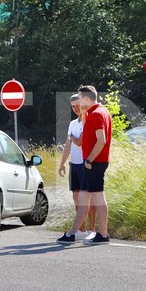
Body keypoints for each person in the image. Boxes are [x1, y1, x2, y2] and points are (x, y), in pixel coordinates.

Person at [58, 85, 111, 244]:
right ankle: (72, 234)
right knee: (83, 198)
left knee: (98, 198)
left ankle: (102, 234)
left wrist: (89, 160)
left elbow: (101, 140)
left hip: (94, 163)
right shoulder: (100, 112)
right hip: (93, 163)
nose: (78, 102)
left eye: (80, 98)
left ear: (87, 99)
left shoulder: (96, 114)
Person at [57, 94, 96, 239]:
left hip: (86, 163)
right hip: (74, 163)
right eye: (73, 106)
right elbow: (68, 145)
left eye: (77, 105)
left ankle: (92, 230)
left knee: (89, 198)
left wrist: (73, 138)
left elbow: (79, 142)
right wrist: (62, 164)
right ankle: (81, 230)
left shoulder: (89, 120)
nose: (75, 108)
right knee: (76, 197)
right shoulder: (73, 123)